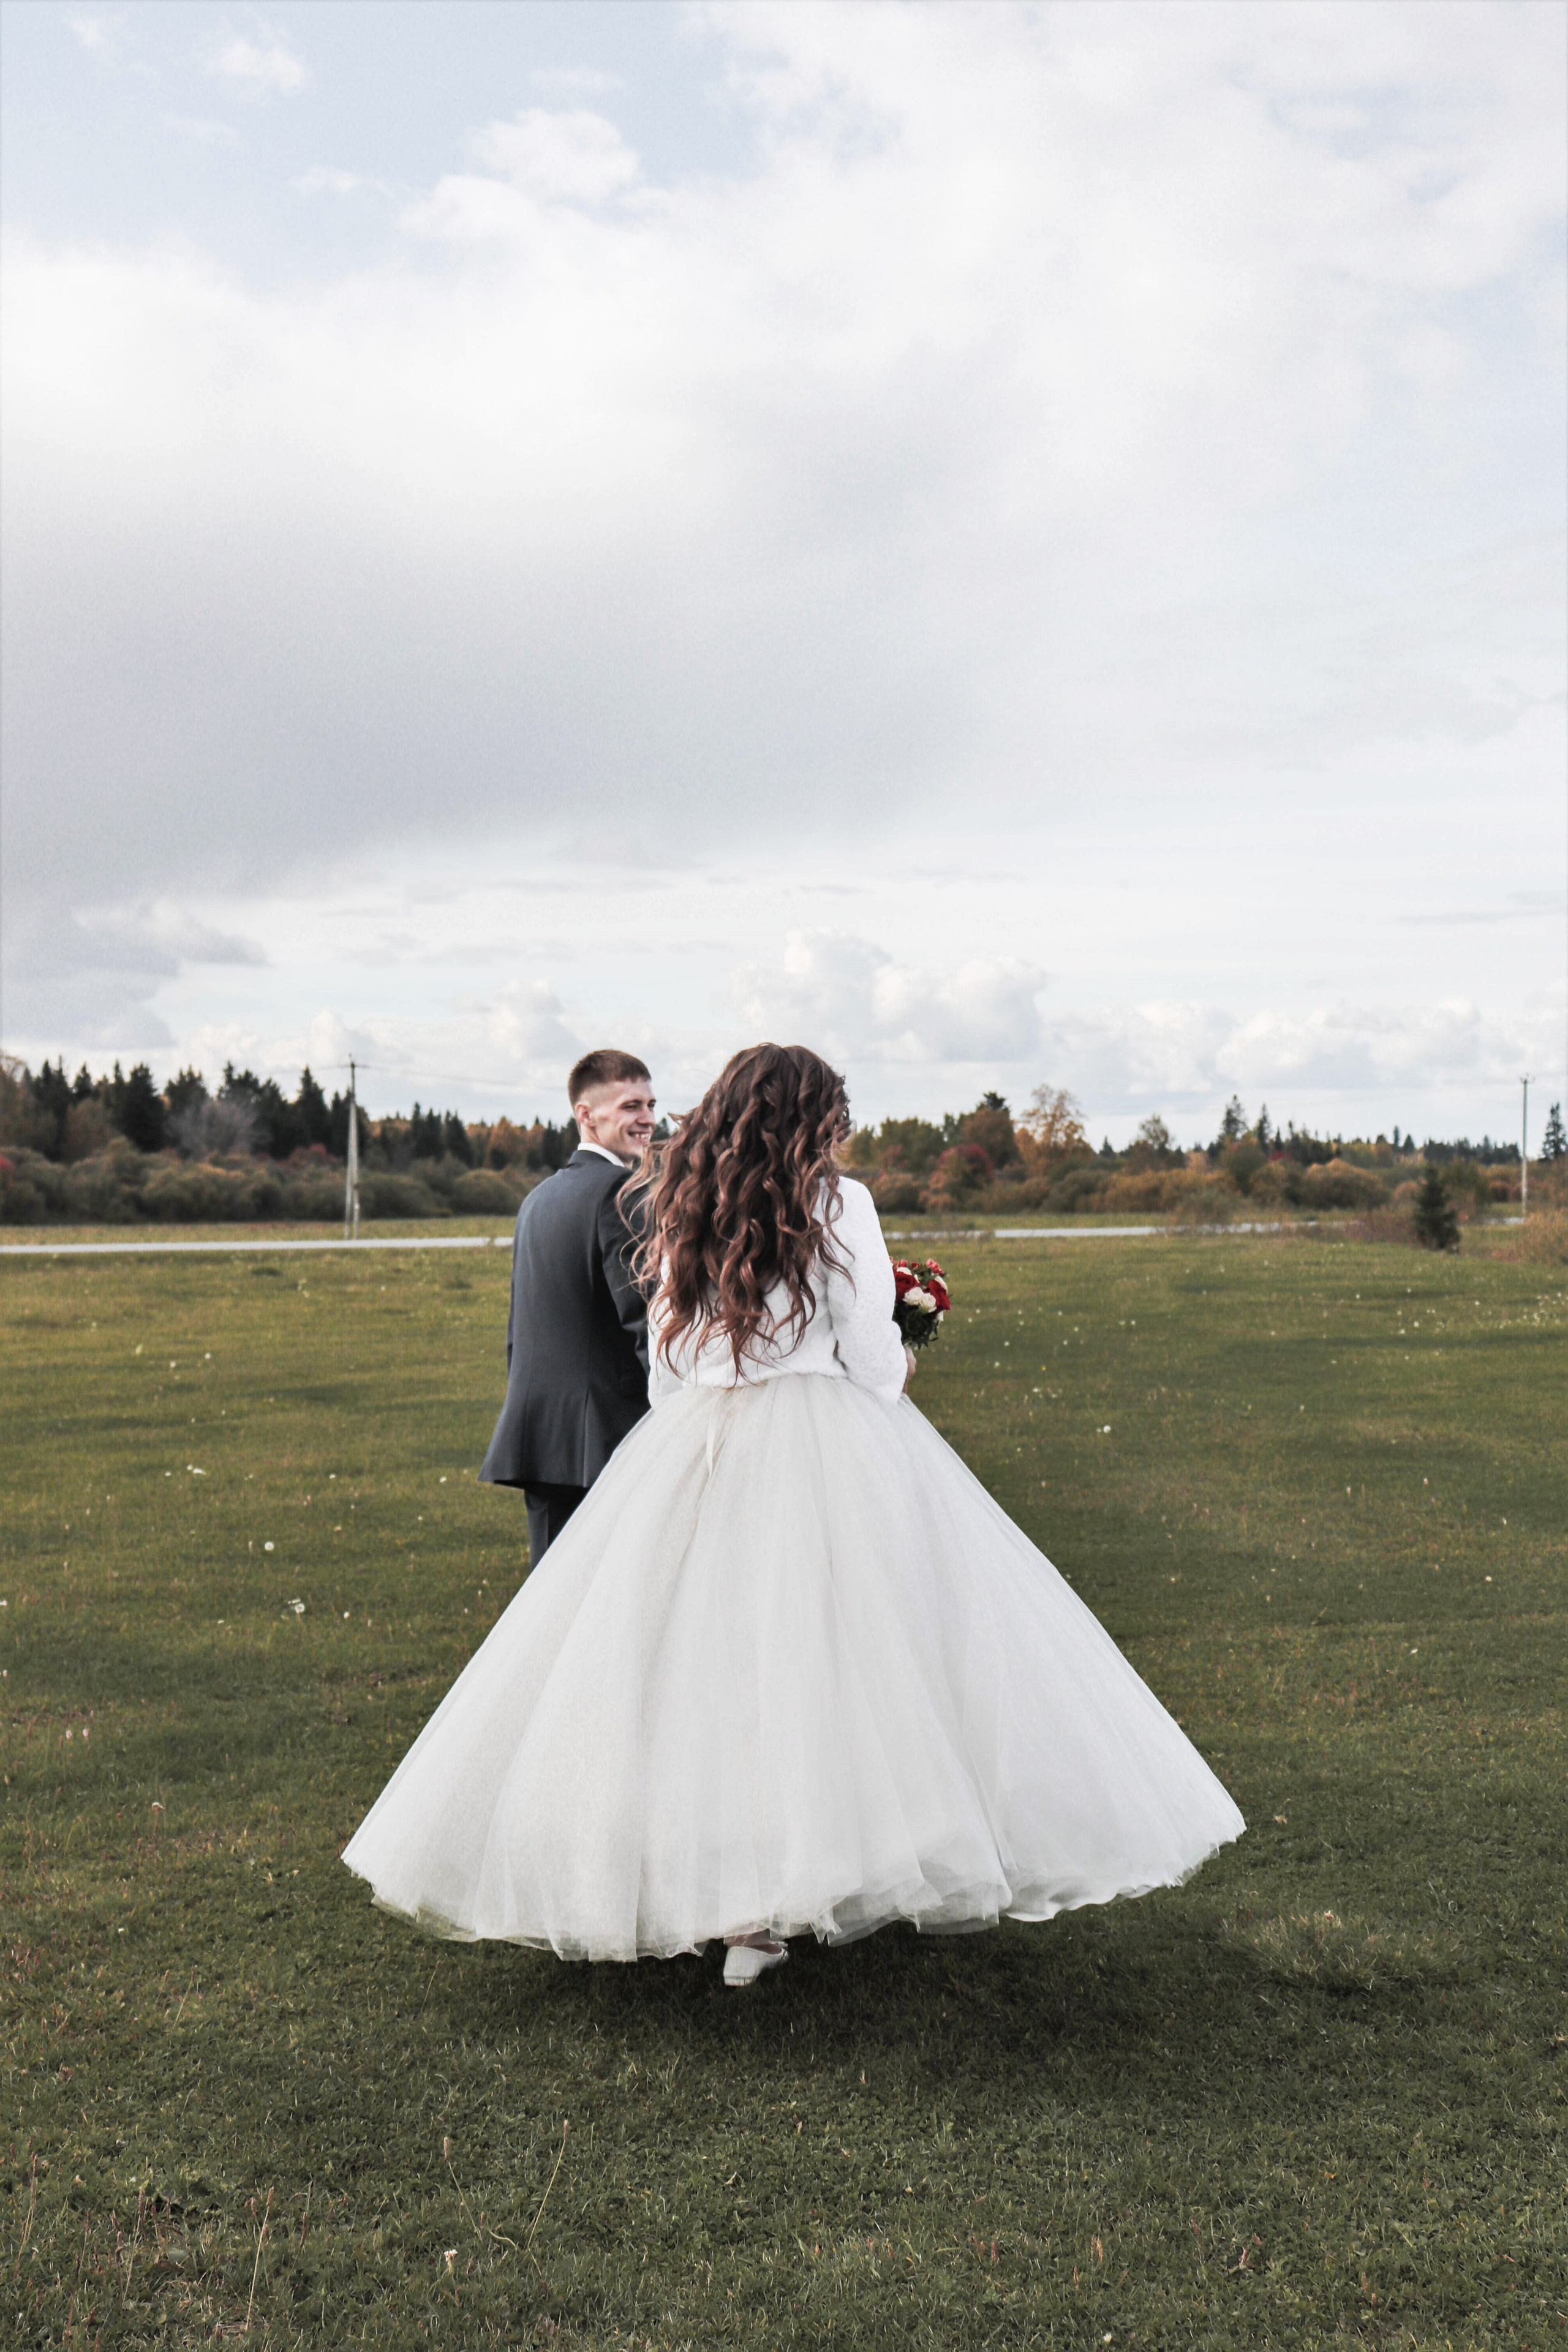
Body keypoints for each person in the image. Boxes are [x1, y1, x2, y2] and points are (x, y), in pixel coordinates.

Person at [344, 1044, 1243, 1988]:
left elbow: (668, 1362)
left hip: (698, 1442)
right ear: (812, 1122)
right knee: (839, 1666)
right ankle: (812, 1874)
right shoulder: (837, 1203)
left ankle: (735, 1908)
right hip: (824, 1444)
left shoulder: (678, 1201)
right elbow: (867, 1353)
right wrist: (903, 1355)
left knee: (703, 1673)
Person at [477, 1049, 657, 1563]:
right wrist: (679, 1406)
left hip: (540, 1433)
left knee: (549, 1607)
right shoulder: (620, 1193)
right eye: (629, 1107)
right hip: (604, 1435)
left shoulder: (539, 1197)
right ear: (587, 1116)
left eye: (650, 1104)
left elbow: (521, 1329)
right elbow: (645, 1319)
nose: (646, 1118)